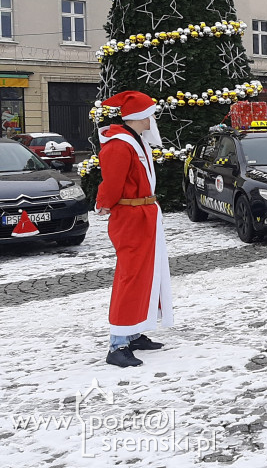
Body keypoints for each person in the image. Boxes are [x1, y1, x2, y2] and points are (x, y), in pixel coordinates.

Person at [94, 91, 173, 367]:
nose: (153, 119)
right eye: (150, 114)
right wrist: (103, 203)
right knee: (131, 276)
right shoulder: (120, 145)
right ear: (140, 117)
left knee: (146, 276)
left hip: (142, 214)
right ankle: (118, 344)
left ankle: (134, 330)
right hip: (131, 217)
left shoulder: (134, 141)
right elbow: (112, 183)